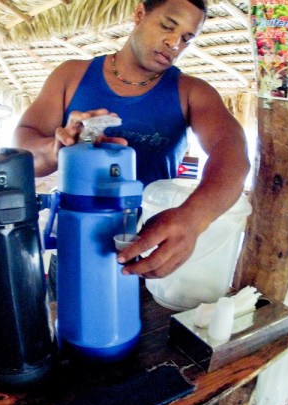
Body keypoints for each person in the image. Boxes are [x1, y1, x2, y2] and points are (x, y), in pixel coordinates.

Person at [14, 0, 249, 279]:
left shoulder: (192, 93)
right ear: (140, 13)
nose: (174, 43)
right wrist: (57, 148)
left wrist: (193, 218)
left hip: (148, 248)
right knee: (67, 318)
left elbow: (233, 153)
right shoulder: (71, 76)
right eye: (167, 26)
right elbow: (21, 154)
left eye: (187, 38)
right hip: (75, 241)